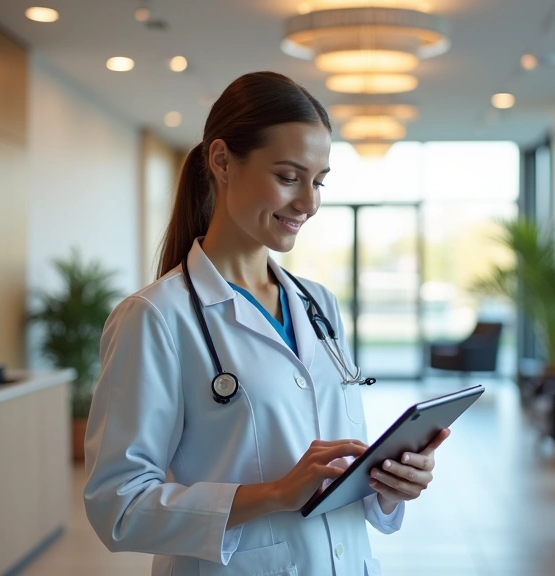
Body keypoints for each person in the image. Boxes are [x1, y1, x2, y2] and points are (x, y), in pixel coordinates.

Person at [83, 71, 450, 576]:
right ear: (221, 161)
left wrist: (387, 481)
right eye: (288, 177)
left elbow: (337, 466)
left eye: (318, 181)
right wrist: (272, 494)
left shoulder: (317, 304)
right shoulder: (155, 317)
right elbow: (117, 507)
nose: (309, 202)